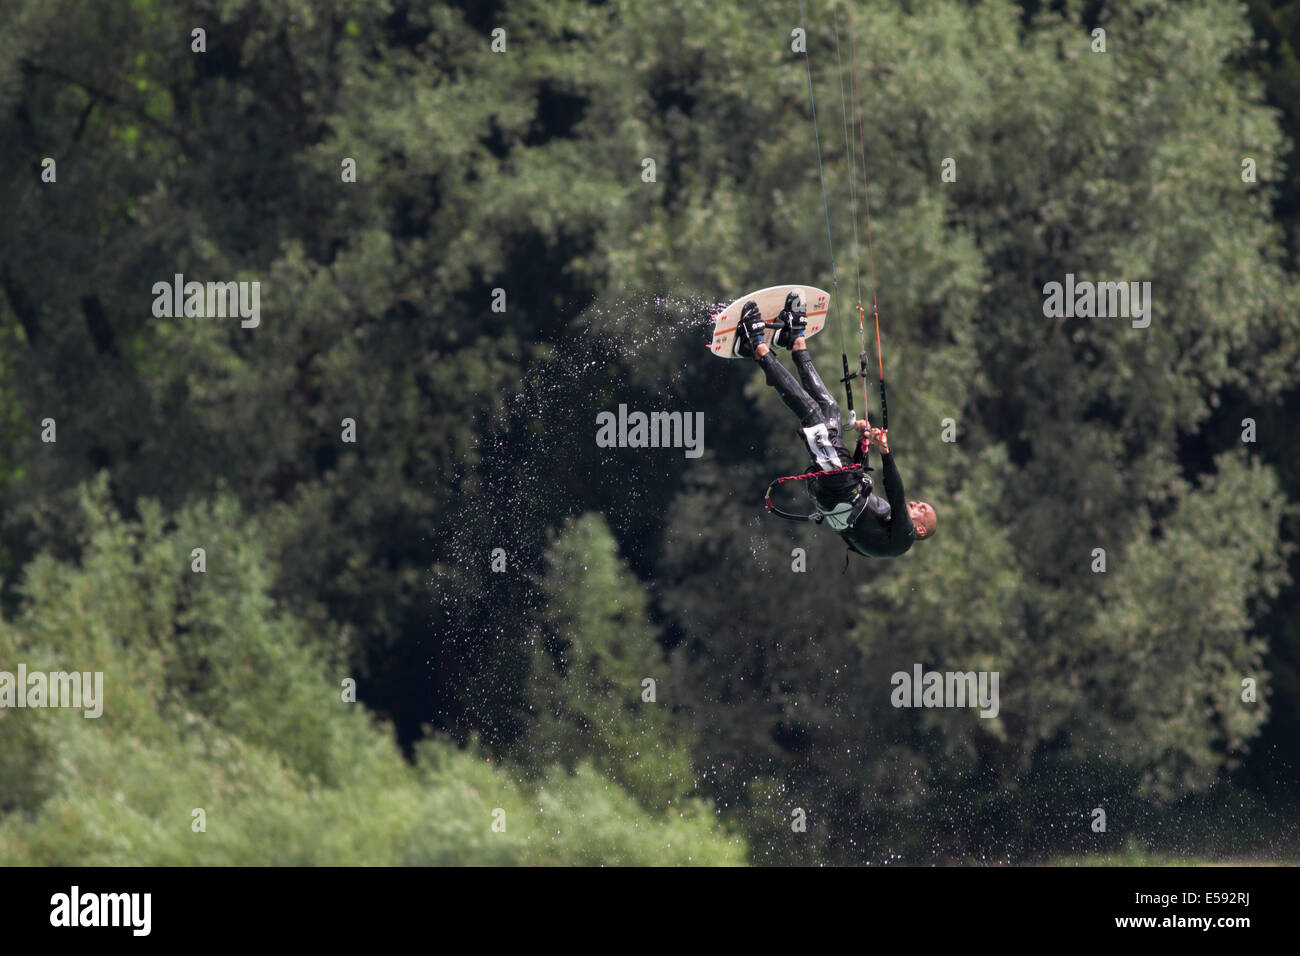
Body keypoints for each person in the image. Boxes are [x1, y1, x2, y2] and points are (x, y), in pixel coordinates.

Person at [734, 292, 937, 558]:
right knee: (829, 410)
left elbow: (896, 493)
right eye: (921, 504)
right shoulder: (886, 530)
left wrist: (886, 454)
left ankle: (756, 345)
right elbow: (862, 484)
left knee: (812, 416)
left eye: (922, 509)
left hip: (838, 488)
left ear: (920, 530)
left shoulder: (904, 539)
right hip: (838, 485)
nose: (915, 503)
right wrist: (864, 444)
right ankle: (794, 339)